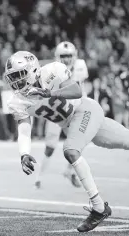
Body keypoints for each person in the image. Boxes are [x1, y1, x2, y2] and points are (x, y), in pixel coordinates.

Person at [4, 51, 129, 233]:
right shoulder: (16, 100)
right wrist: (24, 153)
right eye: (13, 78)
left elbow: (76, 91)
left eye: (19, 75)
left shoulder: (52, 71)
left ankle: (99, 208)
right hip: (73, 124)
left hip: (85, 110)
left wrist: (50, 93)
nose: (16, 82)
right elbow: (24, 128)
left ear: (33, 69)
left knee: (71, 150)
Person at [36, 41, 89, 189]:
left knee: (79, 141)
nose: (66, 59)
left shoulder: (80, 66)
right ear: (57, 56)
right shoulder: (52, 69)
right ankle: (39, 177)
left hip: (73, 110)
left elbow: (81, 87)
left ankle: (69, 171)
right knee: (50, 146)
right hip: (57, 110)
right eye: (63, 56)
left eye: (69, 56)